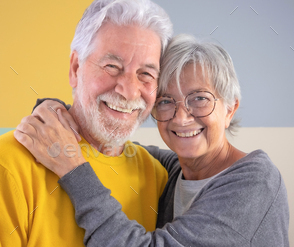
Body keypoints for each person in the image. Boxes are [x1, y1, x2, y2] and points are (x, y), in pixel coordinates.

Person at [20, 34, 290, 246]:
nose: (181, 118)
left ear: (230, 109)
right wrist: (55, 111)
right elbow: (108, 144)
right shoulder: (174, 169)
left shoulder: (256, 181)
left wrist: (72, 169)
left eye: (200, 99)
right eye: (166, 102)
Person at [0, 0, 173, 246]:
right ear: (75, 68)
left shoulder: (158, 176)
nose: (129, 91)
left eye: (146, 74)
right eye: (112, 66)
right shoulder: (5, 162)